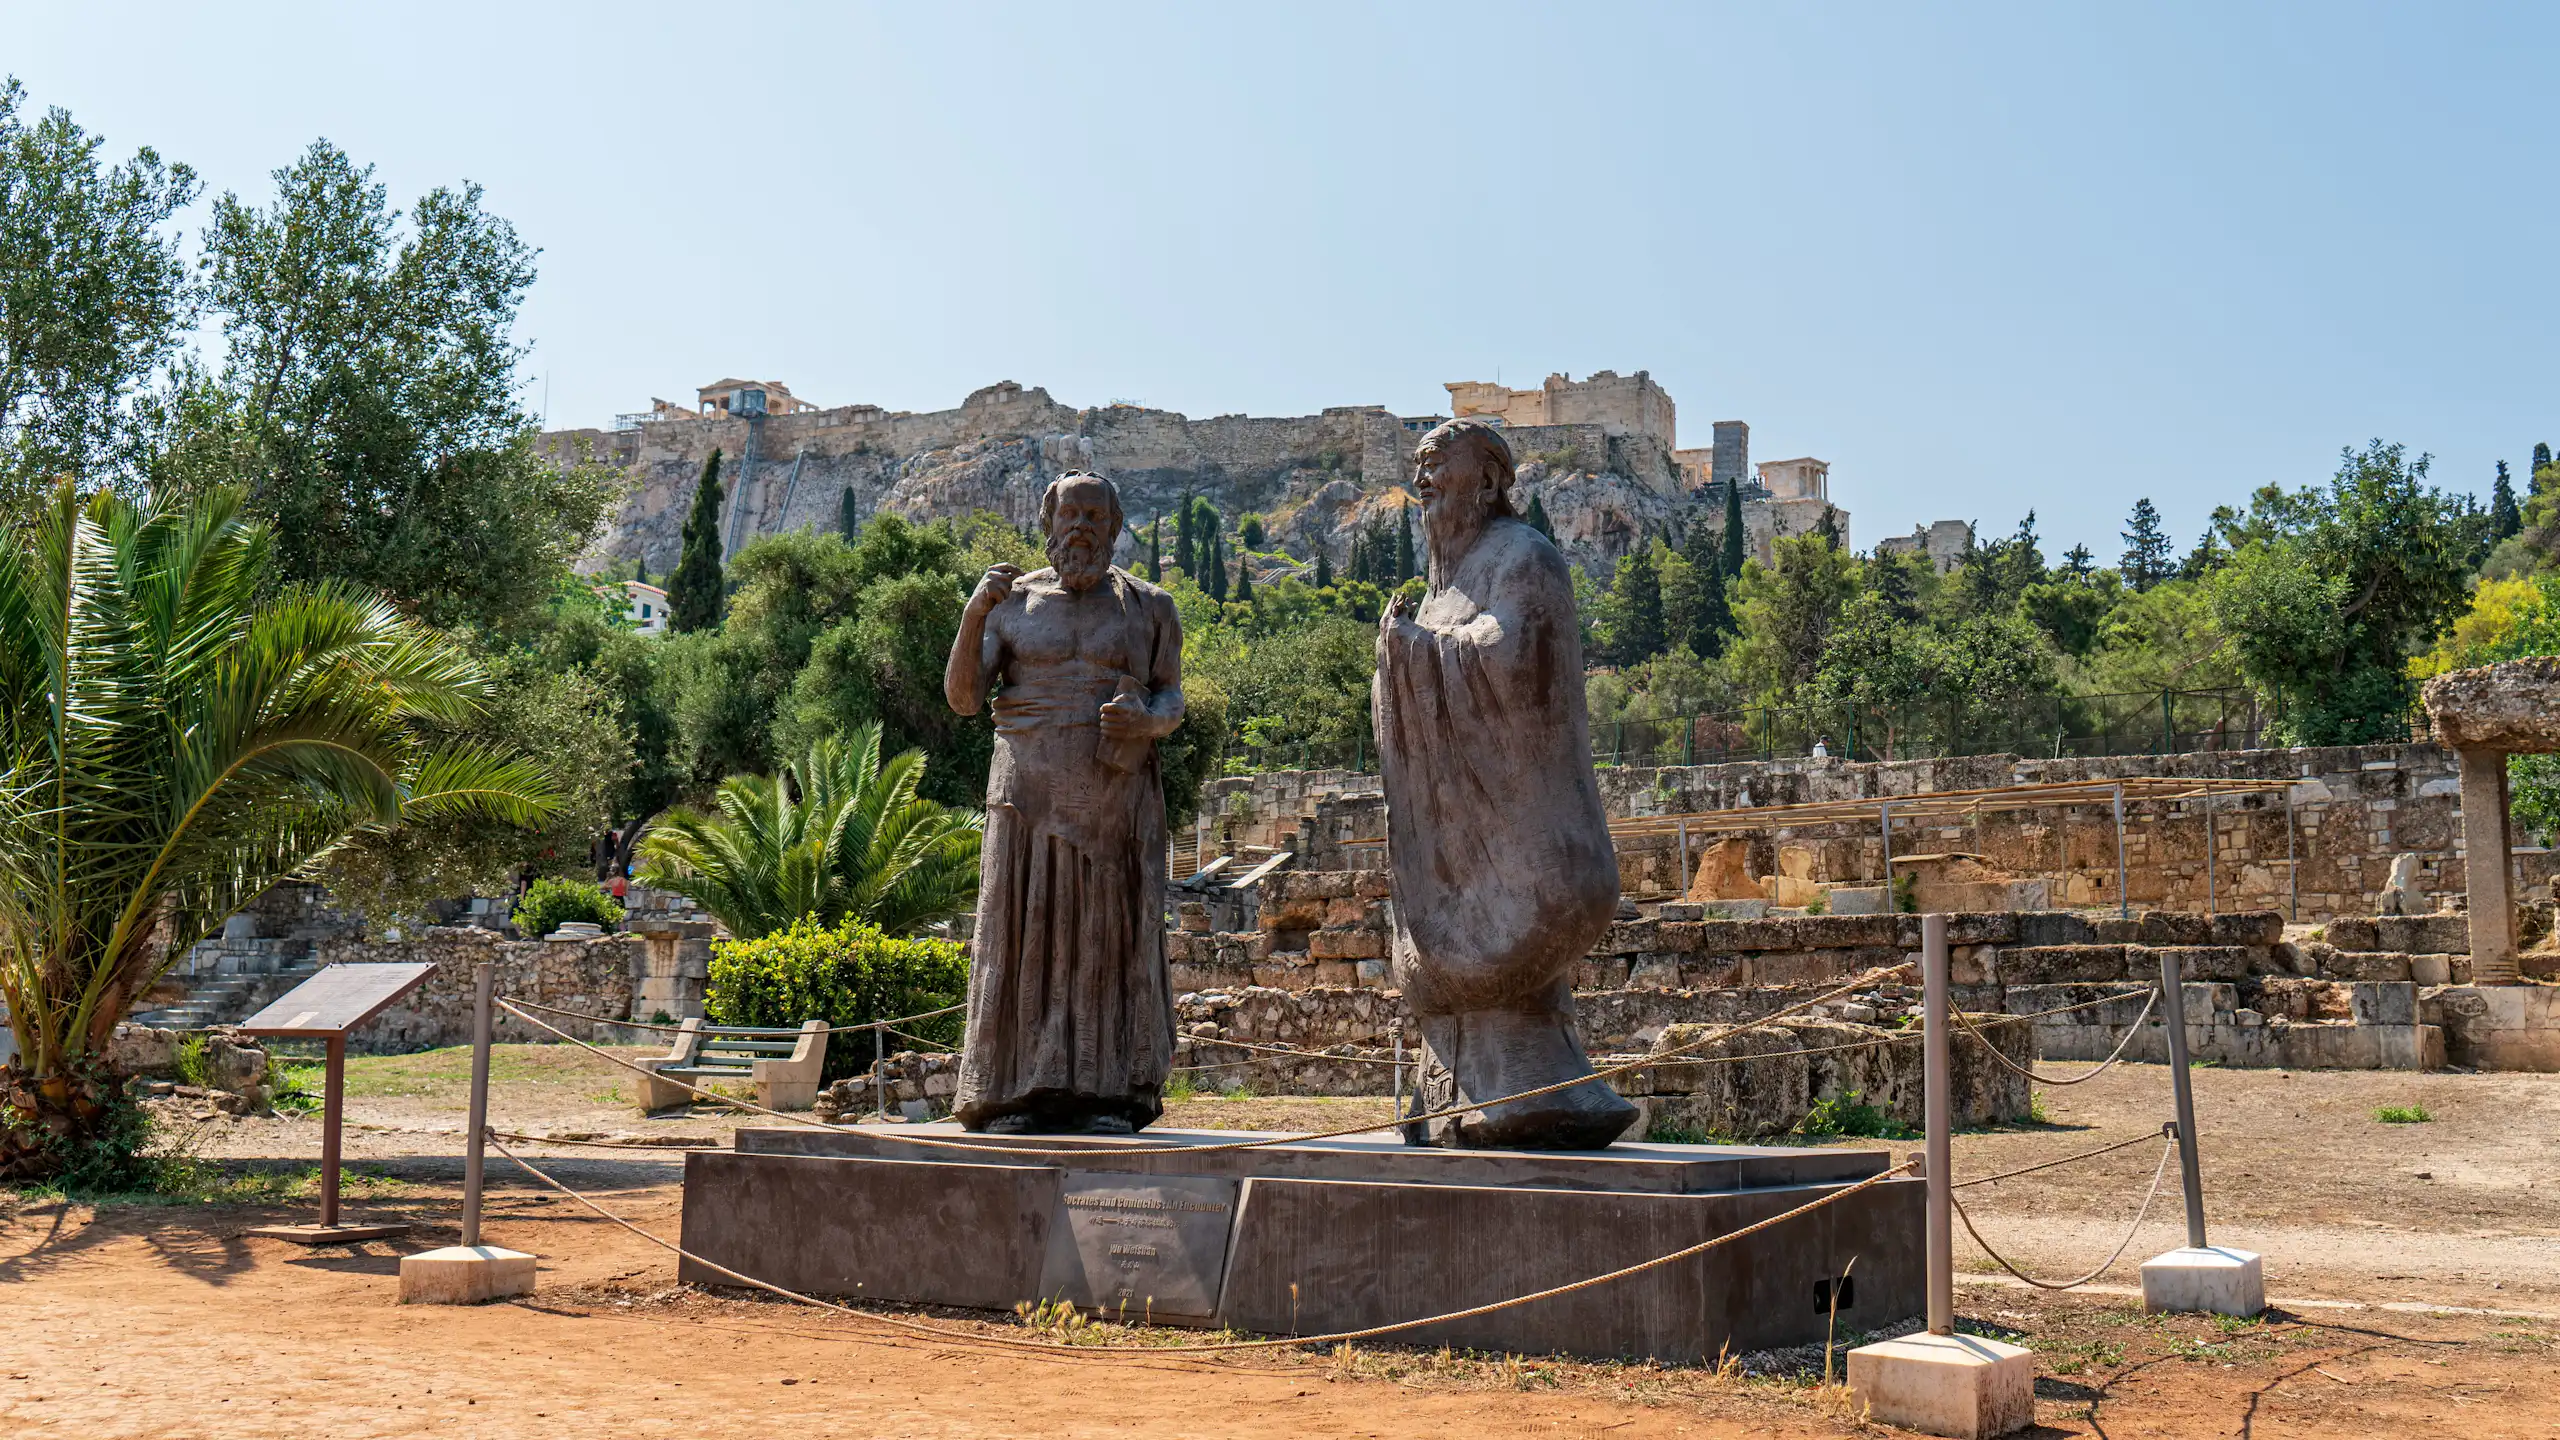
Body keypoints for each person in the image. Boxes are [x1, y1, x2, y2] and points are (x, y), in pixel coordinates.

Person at [1372, 419, 1635, 1148]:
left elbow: (1517, 657)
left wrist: (1421, 653)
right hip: (1454, 841)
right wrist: (1404, 658)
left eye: (1439, 467)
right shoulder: (1441, 585)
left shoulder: (1525, 557)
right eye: (1418, 468)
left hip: (1525, 849)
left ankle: (1533, 1086)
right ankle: (1460, 1089)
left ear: (1488, 481)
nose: (1424, 480)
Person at [942, 473, 1186, 1134]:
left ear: (1113, 526)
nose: (1080, 526)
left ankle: (1107, 1096)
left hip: (1112, 799)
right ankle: (1011, 1095)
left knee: (1104, 939)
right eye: (1069, 513)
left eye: (1093, 516)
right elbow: (964, 699)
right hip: (1026, 795)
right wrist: (970, 615)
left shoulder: (1149, 606)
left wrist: (1149, 721)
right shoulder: (1008, 604)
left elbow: (1172, 697)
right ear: (1048, 522)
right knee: (1020, 933)